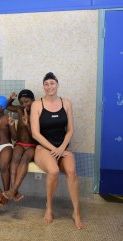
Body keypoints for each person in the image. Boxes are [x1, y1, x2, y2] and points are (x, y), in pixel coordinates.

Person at [30, 72, 85, 229]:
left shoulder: (66, 103)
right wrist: (55, 149)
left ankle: (76, 212)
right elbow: (35, 133)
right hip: (43, 148)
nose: (49, 86)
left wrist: (61, 149)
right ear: (43, 86)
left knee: (72, 171)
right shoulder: (37, 105)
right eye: (46, 84)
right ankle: (49, 207)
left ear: (57, 85)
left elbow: (70, 130)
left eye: (52, 83)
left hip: (63, 148)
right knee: (53, 171)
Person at [3, 89, 37, 202]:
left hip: (32, 145)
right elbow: (6, 106)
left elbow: (35, 136)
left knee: (24, 159)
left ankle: (13, 190)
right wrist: (11, 99)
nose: (24, 105)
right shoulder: (19, 109)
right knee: (14, 159)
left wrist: (27, 124)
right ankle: (14, 191)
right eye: (22, 102)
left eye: (27, 102)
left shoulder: (37, 112)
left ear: (33, 100)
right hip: (19, 143)